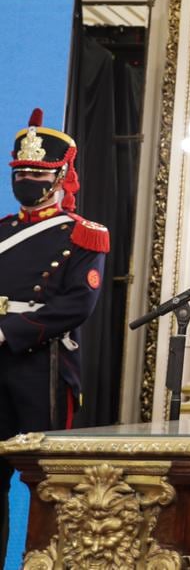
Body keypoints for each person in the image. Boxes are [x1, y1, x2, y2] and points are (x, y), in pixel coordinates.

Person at [1, 110, 108, 549]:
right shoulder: (3, 230)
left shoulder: (84, 235)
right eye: (20, 171)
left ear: (62, 174)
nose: (27, 179)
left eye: (37, 172)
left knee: (50, 484)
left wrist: (12, 331)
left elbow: (78, 304)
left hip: (39, 363)